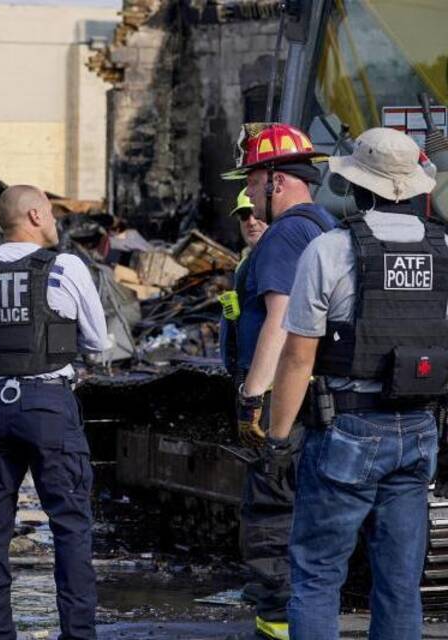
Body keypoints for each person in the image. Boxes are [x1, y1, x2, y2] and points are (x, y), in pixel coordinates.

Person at [269, 127, 441, 639]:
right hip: (419, 430)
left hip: (348, 430)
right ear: (412, 186)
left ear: (356, 187)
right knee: (399, 582)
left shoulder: (331, 250)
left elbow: (298, 358)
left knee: (319, 577)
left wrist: (278, 440)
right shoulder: (445, 250)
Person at [0, 184, 109, 640]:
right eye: (50, 213)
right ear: (34, 215)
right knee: (70, 523)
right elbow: (99, 341)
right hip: (49, 403)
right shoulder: (66, 267)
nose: (54, 221)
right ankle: (77, 634)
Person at [221, 122, 337, 640]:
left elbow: (282, 317)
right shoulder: (325, 226)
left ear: (277, 180)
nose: (246, 190)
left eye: (252, 177)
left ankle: (278, 622)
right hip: (319, 395)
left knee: (270, 511)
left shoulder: (286, 234)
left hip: (283, 399)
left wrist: (253, 398)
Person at [219, 187, 268, 379]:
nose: (251, 222)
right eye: (244, 216)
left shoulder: (277, 258)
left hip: (266, 378)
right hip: (246, 370)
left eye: (256, 214)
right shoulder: (247, 261)